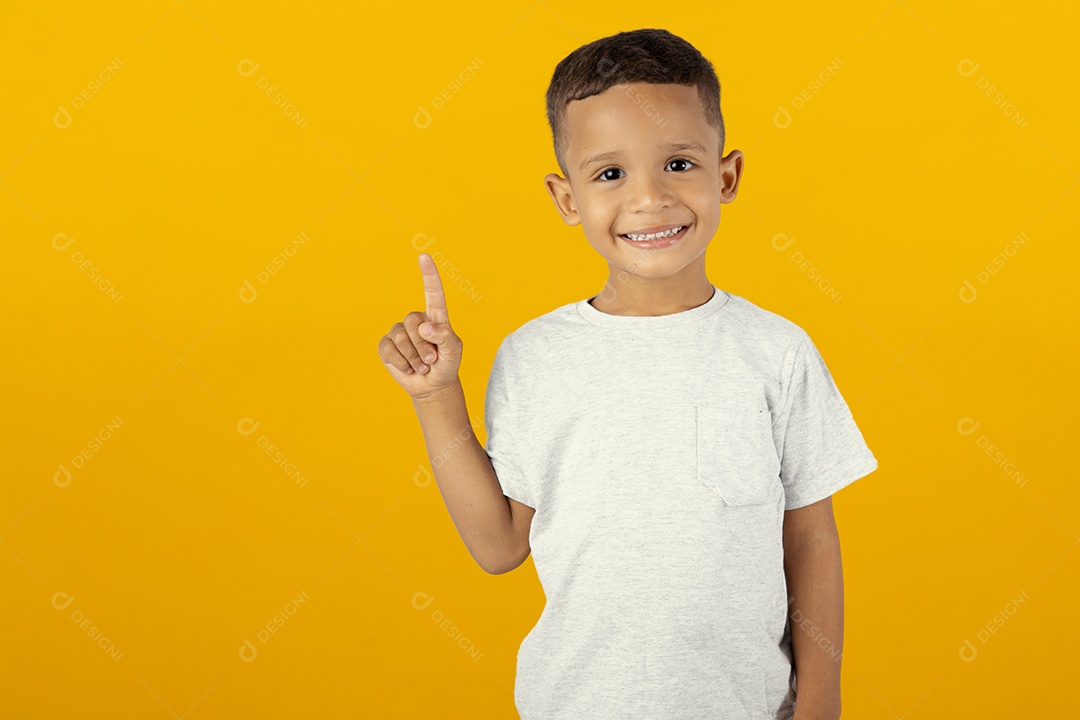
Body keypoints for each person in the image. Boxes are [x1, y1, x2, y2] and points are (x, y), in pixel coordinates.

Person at [377, 27, 877, 720]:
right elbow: (498, 546)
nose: (649, 198)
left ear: (726, 176)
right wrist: (436, 398)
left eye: (678, 163)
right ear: (567, 199)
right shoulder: (534, 357)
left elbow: (810, 537)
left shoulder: (776, 352)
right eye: (610, 174)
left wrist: (821, 700)